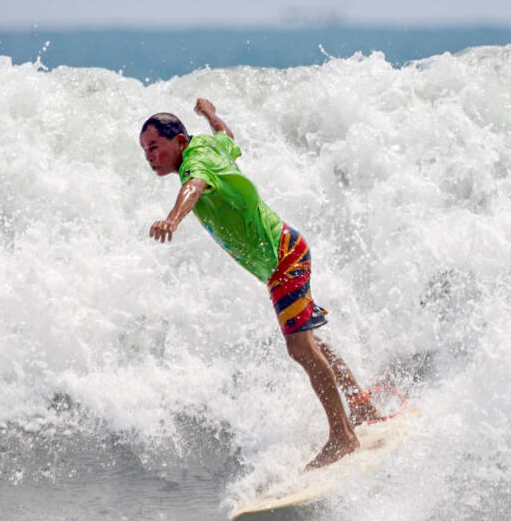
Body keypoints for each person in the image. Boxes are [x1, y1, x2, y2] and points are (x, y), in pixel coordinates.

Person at [141, 98, 381, 468]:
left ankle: (343, 436)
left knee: (300, 349)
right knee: (310, 343)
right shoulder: (210, 146)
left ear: (180, 142)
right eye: (145, 151)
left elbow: (194, 186)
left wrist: (172, 219)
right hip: (286, 253)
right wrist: (210, 115)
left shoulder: (195, 162)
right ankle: (361, 407)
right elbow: (227, 134)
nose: (150, 157)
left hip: (283, 258)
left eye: (155, 147)